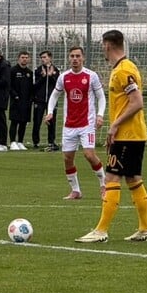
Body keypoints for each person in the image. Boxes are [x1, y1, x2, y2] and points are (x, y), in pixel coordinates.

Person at [76, 30, 147, 243]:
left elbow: (137, 102)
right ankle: (144, 229)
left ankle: (101, 231)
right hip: (134, 134)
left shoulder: (123, 70)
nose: (102, 48)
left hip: (127, 135)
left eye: (103, 45)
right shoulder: (124, 67)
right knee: (133, 179)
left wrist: (115, 125)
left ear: (108, 45)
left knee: (111, 178)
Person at [45, 46, 107, 200]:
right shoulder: (64, 77)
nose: (75, 59)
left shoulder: (91, 76)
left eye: (78, 56)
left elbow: (101, 97)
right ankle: (76, 191)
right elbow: (54, 95)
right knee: (67, 158)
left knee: (89, 155)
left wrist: (100, 115)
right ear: (69, 58)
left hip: (87, 124)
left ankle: (104, 185)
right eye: (72, 56)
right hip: (69, 125)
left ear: (83, 58)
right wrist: (50, 112)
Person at [32, 50, 59, 151]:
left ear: (50, 58)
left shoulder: (56, 69)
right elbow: (35, 85)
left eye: (45, 57)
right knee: (37, 121)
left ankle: (51, 141)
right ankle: (35, 142)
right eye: (41, 58)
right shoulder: (38, 70)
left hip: (52, 100)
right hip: (39, 100)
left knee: (52, 121)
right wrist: (44, 77)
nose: (43, 59)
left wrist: (51, 76)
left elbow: (58, 84)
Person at [8, 51, 33, 150]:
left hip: (26, 101)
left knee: (23, 122)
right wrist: (15, 96)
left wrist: (30, 99)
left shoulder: (29, 72)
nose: (25, 59)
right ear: (18, 58)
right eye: (23, 57)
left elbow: (31, 87)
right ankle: (12, 142)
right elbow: (9, 85)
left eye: (26, 57)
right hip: (16, 100)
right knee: (15, 121)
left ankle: (20, 142)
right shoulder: (13, 70)